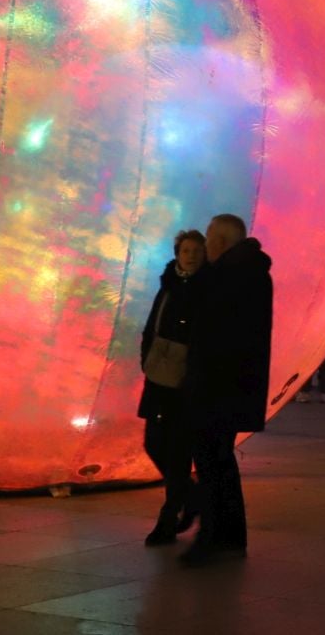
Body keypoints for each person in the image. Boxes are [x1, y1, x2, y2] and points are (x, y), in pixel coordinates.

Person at [178, 213, 273, 566]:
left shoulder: (227, 276)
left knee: (210, 462)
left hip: (216, 387)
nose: (205, 243)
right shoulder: (250, 272)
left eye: (208, 236)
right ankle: (230, 536)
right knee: (221, 461)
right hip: (231, 386)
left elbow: (209, 328)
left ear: (220, 241)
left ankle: (212, 536)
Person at [137, 229, 205, 545]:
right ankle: (191, 497)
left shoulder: (206, 289)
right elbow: (152, 325)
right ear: (177, 253)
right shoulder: (168, 285)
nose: (190, 256)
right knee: (153, 442)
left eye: (196, 250)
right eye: (186, 250)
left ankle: (168, 518)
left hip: (185, 382)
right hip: (159, 375)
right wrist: (146, 358)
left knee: (177, 451)